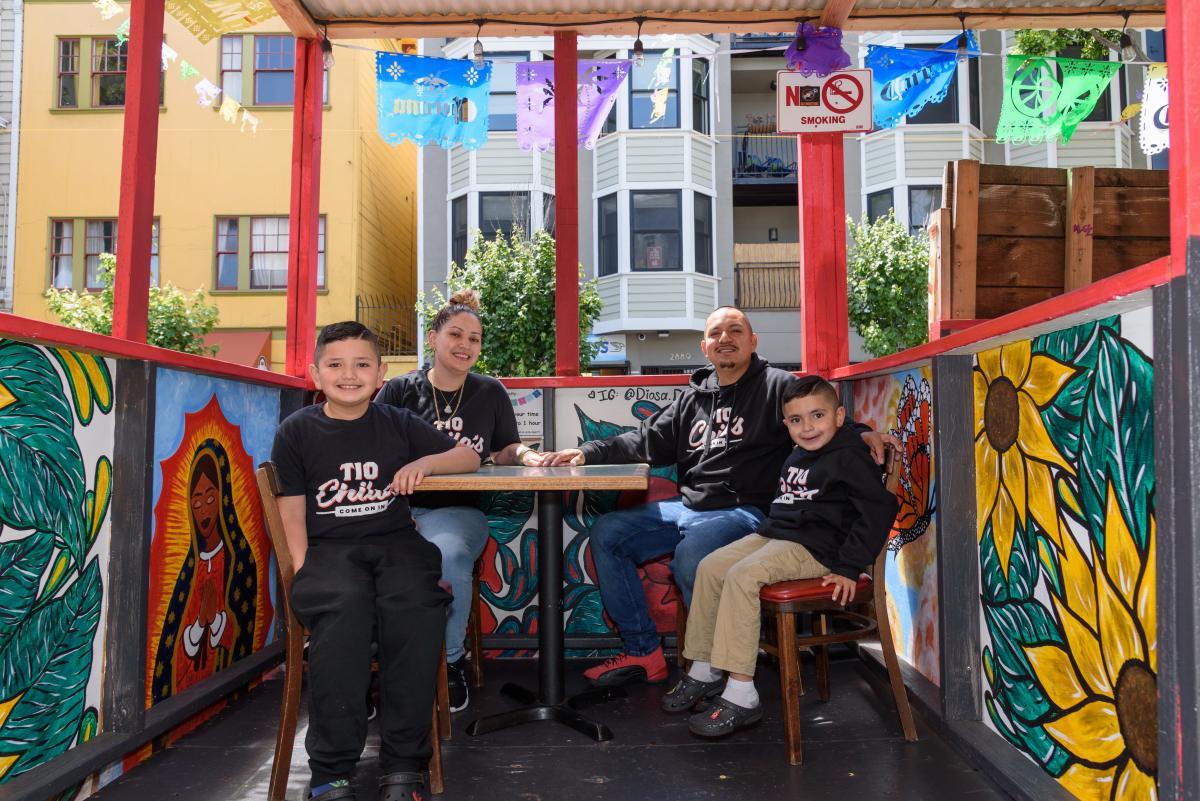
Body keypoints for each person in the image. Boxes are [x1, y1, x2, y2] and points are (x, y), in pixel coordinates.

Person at [537, 306, 889, 687]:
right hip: (689, 507)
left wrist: (862, 431)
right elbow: (642, 439)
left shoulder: (777, 385)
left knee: (694, 556)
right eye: (716, 333)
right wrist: (588, 452)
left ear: (752, 341)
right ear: (705, 347)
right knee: (608, 533)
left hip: (749, 512)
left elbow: (818, 415)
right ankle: (643, 652)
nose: (726, 339)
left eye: (735, 330)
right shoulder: (693, 399)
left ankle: (721, 663)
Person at [272, 321, 481, 801]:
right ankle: (330, 770)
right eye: (336, 365)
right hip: (329, 553)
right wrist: (305, 574)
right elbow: (292, 512)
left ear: (382, 373)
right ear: (315, 374)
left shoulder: (397, 422)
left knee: (416, 608)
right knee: (343, 613)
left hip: (395, 545)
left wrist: (425, 463)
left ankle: (405, 764)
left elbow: (467, 457)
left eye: (362, 364)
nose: (350, 374)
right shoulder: (297, 431)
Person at [662, 376, 899, 737]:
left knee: (743, 575)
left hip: (818, 549)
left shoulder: (849, 456)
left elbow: (878, 509)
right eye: (796, 420)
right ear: (785, 423)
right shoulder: (798, 452)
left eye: (817, 416)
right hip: (778, 534)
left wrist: (850, 566)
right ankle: (704, 669)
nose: (808, 427)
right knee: (709, 566)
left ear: (839, 417)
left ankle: (742, 694)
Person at [375, 289, 542, 712]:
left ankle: (450, 661)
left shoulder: (490, 392)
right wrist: (398, 516)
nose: (465, 345)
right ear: (433, 338)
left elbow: (505, 449)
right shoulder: (398, 390)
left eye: (475, 338)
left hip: (459, 511)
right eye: (455, 334)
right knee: (367, 561)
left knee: (446, 555)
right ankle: (368, 667)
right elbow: (369, 450)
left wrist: (526, 454)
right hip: (396, 512)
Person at [151, 443, 261, 702]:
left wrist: (218, 622)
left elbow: (242, 637)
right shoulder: (189, 571)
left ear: (223, 498)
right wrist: (201, 621)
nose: (203, 508)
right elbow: (171, 655)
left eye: (210, 498)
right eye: (196, 500)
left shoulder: (240, 562)